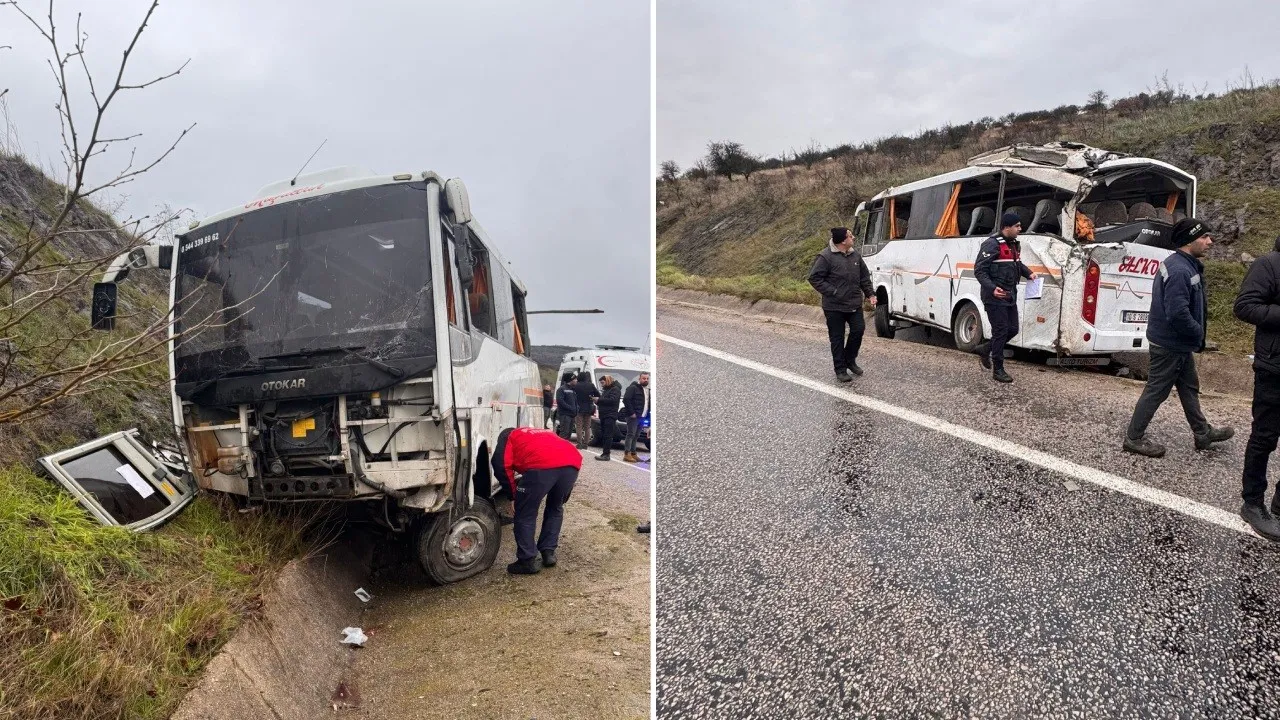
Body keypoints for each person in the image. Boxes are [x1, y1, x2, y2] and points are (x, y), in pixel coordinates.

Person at [1123, 218, 1233, 458]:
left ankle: (1202, 433)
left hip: (1178, 344)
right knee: (1157, 391)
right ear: (1189, 240)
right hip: (1170, 344)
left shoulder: (1182, 264)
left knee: (1189, 388)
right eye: (1204, 237)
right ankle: (1133, 438)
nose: (1209, 241)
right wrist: (1198, 332)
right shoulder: (1180, 270)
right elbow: (1177, 313)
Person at [1233, 234, 1280, 540]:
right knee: (1264, 437)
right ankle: (1252, 503)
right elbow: (1244, 306)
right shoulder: (1268, 265)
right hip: (1274, 368)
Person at [491, 426, 583, 574]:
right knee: (555, 507)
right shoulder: (539, 432)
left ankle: (526, 560)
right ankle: (548, 553)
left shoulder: (508, 437)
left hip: (541, 465)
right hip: (572, 462)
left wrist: (512, 496)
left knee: (525, 513)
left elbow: (500, 465)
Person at [973, 212, 1036, 383]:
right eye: (1017, 226)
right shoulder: (991, 244)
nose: (1020, 229)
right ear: (1006, 227)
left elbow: (1017, 264)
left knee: (1013, 329)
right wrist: (992, 288)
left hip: (1009, 295)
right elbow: (979, 270)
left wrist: (1028, 273)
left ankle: (986, 348)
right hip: (994, 297)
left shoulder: (1014, 244)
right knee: (1000, 331)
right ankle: (998, 369)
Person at [808, 227, 877, 381]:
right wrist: (833, 292)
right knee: (837, 338)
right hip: (833, 306)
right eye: (850, 235)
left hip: (854, 303)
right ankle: (840, 369)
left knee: (858, 331)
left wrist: (870, 294)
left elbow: (864, 277)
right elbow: (814, 278)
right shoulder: (825, 257)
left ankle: (850, 360)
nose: (853, 237)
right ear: (842, 240)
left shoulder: (855, 255)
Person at [622, 372, 650, 463]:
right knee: (630, 434)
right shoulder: (633, 388)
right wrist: (632, 413)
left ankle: (633, 453)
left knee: (636, 435)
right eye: (644, 378)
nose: (646, 380)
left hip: (642, 416)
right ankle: (627, 454)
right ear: (639, 379)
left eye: (647, 379)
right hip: (634, 416)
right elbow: (626, 399)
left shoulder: (647, 390)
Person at [595, 374, 622, 461]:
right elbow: (604, 401)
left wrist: (599, 400)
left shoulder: (615, 389)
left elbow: (612, 400)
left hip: (610, 415)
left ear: (607, 381)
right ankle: (604, 453)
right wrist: (597, 401)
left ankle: (606, 454)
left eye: (603, 382)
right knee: (605, 434)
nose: (602, 385)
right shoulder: (606, 390)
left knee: (608, 435)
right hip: (604, 415)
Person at [572, 370, 599, 449]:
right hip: (589, 409)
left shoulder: (576, 385)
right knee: (587, 427)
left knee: (579, 426)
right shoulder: (591, 385)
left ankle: (579, 444)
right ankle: (586, 444)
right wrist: (591, 397)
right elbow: (598, 394)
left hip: (578, 408)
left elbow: (572, 396)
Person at [554, 372, 578, 440]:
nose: (576, 380)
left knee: (568, 434)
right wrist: (571, 408)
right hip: (565, 415)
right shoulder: (561, 389)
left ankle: (565, 449)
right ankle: (559, 449)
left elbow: (575, 401)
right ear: (570, 380)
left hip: (572, 415)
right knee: (564, 433)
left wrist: (577, 408)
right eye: (575, 379)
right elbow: (560, 401)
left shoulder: (573, 389)